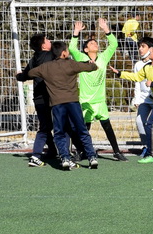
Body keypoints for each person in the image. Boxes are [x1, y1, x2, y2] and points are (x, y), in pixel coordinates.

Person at [27, 41, 99, 170]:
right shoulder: (71, 64)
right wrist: (92, 65)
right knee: (81, 129)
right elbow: (91, 68)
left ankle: (65, 158)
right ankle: (91, 157)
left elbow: (31, 73)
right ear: (64, 53)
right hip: (73, 102)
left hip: (57, 104)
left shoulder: (46, 67)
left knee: (59, 132)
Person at [68, 18, 128, 161]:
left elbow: (114, 44)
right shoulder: (81, 57)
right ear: (86, 49)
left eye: (96, 42)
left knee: (107, 127)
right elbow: (71, 48)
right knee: (84, 130)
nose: (95, 44)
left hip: (100, 101)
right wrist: (76, 32)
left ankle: (117, 151)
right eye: (91, 43)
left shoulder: (103, 58)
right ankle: (81, 152)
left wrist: (106, 29)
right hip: (86, 102)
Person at [15, 33, 56, 167]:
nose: (50, 41)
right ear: (43, 45)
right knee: (59, 126)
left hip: (39, 98)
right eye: (47, 40)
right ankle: (38, 155)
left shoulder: (34, 59)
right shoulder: (53, 56)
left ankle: (52, 150)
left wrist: (19, 76)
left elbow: (24, 76)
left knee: (45, 125)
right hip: (53, 96)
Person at [126, 35, 153, 156]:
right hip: (143, 100)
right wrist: (136, 98)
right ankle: (146, 146)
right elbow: (137, 83)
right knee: (140, 122)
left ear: (151, 49)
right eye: (139, 46)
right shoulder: (138, 65)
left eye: (143, 46)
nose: (140, 49)